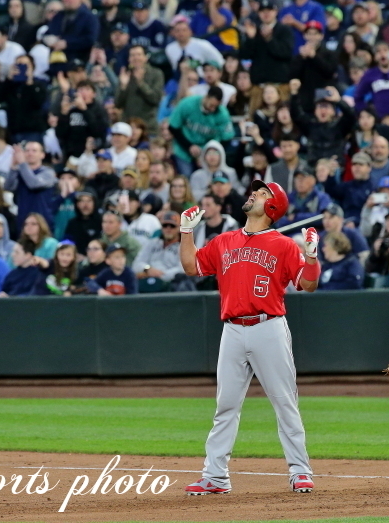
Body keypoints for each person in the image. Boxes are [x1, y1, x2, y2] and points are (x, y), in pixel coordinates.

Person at [179, 180, 320, 495]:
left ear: (272, 208)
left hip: (268, 326)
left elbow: (307, 284)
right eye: (256, 190)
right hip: (232, 329)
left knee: (285, 402)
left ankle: (300, 472)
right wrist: (186, 232)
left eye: (264, 192)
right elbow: (191, 266)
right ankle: (215, 477)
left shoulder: (283, 244)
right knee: (225, 405)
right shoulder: (224, 240)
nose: (255, 193)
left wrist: (311, 258)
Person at [168, 87, 234, 175]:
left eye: (216, 106)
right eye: (211, 105)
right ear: (206, 97)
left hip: (208, 152)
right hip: (183, 149)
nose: (213, 109)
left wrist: (206, 153)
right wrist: (189, 146)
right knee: (186, 175)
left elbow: (227, 138)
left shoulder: (222, 113)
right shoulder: (188, 103)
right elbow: (173, 127)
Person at [289, 81, 354, 165]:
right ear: (315, 110)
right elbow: (296, 115)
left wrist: (339, 101)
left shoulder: (340, 126)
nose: (323, 110)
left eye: (326, 107)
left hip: (335, 168)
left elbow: (351, 116)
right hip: (313, 168)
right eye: (320, 106)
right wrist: (294, 94)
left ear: (333, 111)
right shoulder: (310, 126)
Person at [240, 0, 293, 88]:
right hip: (258, 83)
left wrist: (270, 39)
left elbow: (286, 53)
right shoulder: (254, 31)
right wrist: (251, 39)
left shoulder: (284, 30)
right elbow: (245, 55)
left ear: (276, 12)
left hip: (279, 82)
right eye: (262, 11)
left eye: (269, 10)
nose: (266, 13)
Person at [5, 141, 58, 229]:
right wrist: (13, 166)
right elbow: (8, 187)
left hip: (43, 221)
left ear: (42, 155)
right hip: (23, 220)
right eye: (27, 151)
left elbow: (33, 184)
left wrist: (22, 163)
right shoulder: (20, 172)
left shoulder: (48, 172)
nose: (30, 153)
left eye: (34, 151)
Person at [116, 45, 164, 135]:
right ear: (129, 59)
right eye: (132, 55)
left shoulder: (156, 74)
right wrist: (123, 86)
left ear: (146, 57)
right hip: (128, 128)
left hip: (148, 128)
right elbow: (118, 104)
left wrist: (141, 83)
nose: (135, 58)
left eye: (138, 54)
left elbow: (155, 99)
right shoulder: (126, 75)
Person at [132, 211, 183, 290]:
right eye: (165, 225)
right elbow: (136, 263)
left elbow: (182, 269)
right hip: (147, 280)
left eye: (172, 226)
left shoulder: (184, 247)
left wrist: (160, 275)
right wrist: (147, 269)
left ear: (179, 228)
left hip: (170, 284)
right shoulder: (152, 243)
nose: (168, 229)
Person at [319, 152, 373, 226]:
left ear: (369, 168)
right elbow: (331, 191)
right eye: (354, 165)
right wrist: (331, 174)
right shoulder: (347, 186)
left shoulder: (374, 187)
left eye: (361, 165)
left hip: (365, 225)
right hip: (345, 222)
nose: (357, 168)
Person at [64, 191, 102, 256]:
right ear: (77, 204)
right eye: (82, 201)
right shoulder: (72, 223)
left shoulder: (102, 222)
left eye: (89, 201)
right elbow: (67, 243)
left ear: (94, 203)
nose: (85, 205)